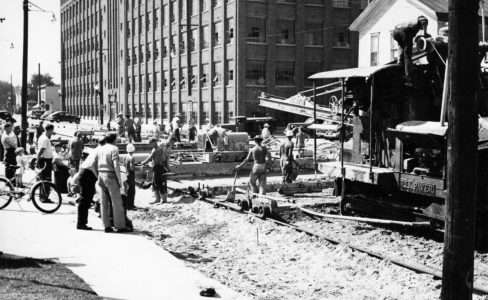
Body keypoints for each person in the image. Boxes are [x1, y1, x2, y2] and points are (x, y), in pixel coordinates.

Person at [95, 133, 129, 233]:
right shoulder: (114, 148)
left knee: (104, 202)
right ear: (114, 140)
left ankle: (106, 226)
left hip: (100, 174)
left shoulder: (101, 148)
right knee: (116, 202)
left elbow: (95, 163)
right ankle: (120, 226)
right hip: (110, 176)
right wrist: (120, 180)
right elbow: (116, 165)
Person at [73, 139, 104, 230]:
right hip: (88, 175)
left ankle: (82, 223)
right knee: (85, 200)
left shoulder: (94, 150)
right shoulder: (99, 151)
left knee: (86, 199)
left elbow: (84, 164)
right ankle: (81, 223)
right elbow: (92, 165)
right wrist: (98, 177)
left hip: (84, 173)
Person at [392, 15, 429, 87]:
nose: (422, 28)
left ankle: (399, 62)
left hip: (395, 31)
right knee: (408, 56)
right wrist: (425, 33)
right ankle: (408, 78)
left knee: (402, 47)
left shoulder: (412, 21)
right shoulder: (418, 22)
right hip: (404, 31)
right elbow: (424, 22)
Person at [142, 136, 176, 204]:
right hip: (156, 167)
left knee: (159, 183)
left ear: (154, 143)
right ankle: (157, 199)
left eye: (150, 143)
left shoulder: (157, 149)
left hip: (159, 167)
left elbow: (151, 157)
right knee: (155, 183)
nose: (150, 145)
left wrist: (143, 162)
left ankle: (163, 199)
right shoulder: (159, 147)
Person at [37, 124, 55, 203]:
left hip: (44, 160)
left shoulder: (41, 137)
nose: (52, 132)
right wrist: (38, 160)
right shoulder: (45, 139)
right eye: (52, 131)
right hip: (45, 161)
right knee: (47, 180)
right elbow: (41, 150)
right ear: (50, 130)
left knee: (43, 179)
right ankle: (45, 197)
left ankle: (42, 196)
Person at [124, 143, 136, 210]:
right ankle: (131, 206)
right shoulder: (132, 158)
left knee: (127, 190)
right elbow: (132, 168)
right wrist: (137, 168)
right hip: (131, 175)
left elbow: (124, 165)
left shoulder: (125, 156)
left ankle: (127, 205)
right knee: (132, 191)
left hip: (126, 174)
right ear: (133, 150)